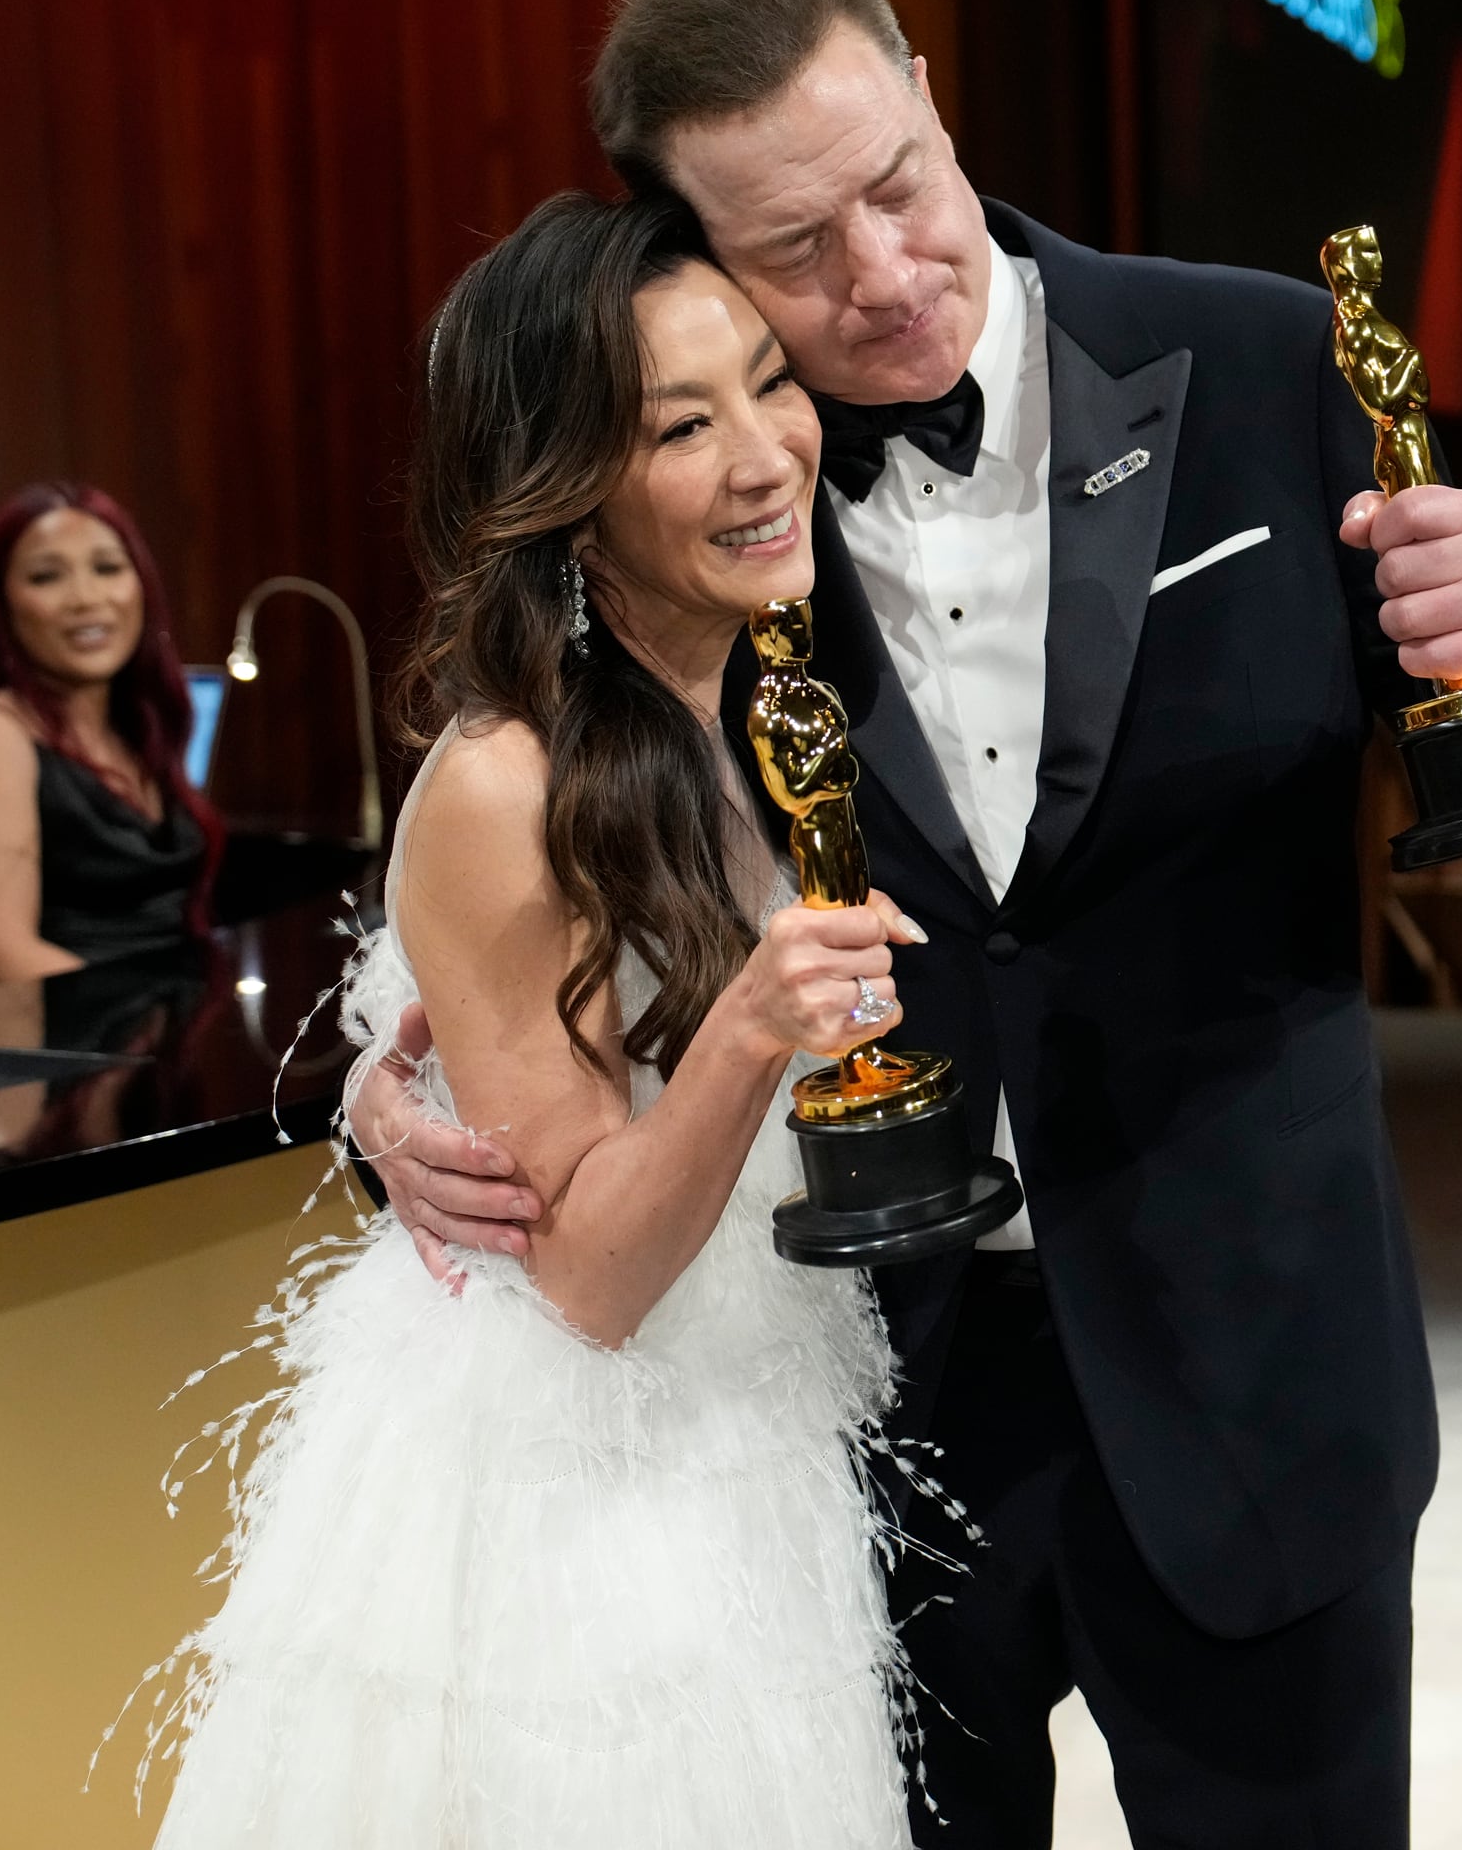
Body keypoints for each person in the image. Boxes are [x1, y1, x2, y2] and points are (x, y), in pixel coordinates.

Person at [350, 0, 1462, 1847]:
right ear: (684, 251)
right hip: (866, 1403)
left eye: (895, 187)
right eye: (792, 251)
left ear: (932, 92)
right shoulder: (715, 508)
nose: (881, 277)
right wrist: (399, 1098)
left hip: (1261, 1362)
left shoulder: (1268, 355)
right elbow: (537, 850)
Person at [150, 192, 923, 1844]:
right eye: (680, 425)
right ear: (568, 497)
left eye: (771, 383)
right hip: (591, 1485)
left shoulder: (755, 699)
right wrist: (750, 1031)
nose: (768, 453)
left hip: (749, 1414)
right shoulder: (510, 779)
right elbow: (580, 1280)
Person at [0, 482, 221, 981]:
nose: (86, 598)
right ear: (2, 604)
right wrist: (145, 1034)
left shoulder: (137, 728)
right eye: (46, 577)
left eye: (107, 568)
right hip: (75, 1043)